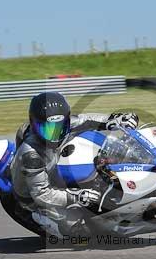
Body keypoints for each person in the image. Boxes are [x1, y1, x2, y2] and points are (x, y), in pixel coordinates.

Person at [9, 91, 139, 236]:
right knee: (76, 230)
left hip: (54, 171)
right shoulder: (31, 155)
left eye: (59, 128)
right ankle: (41, 218)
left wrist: (114, 119)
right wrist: (76, 196)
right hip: (33, 198)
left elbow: (86, 119)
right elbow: (42, 194)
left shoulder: (63, 123)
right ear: (35, 125)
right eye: (48, 130)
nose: (54, 135)